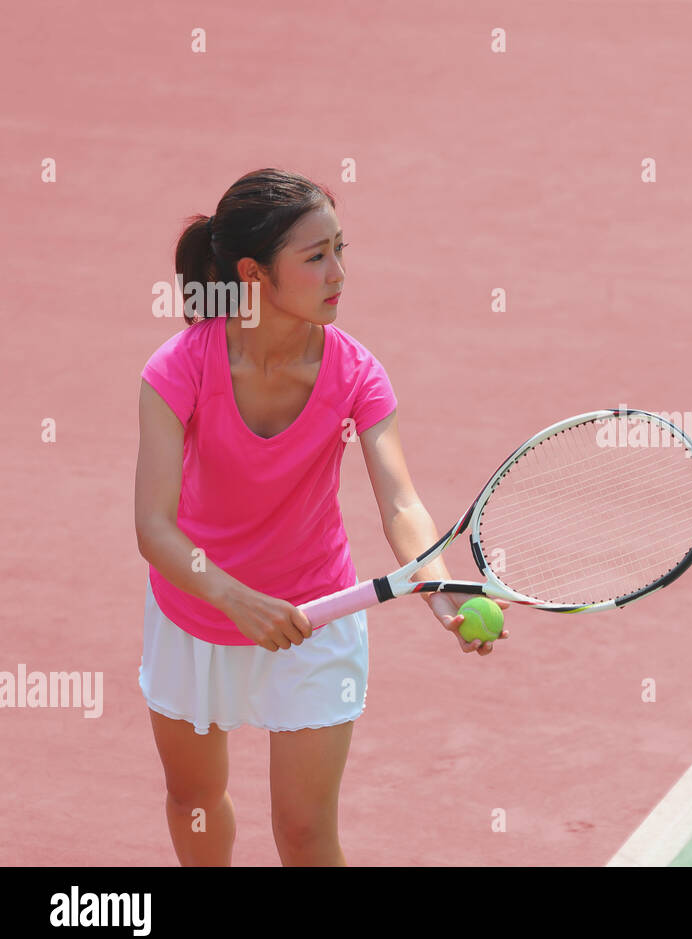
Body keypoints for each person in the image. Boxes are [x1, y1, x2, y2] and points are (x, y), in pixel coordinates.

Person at [133, 168, 509, 866]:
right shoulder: (179, 370)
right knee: (193, 801)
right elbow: (153, 526)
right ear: (253, 273)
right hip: (196, 617)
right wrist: (235, 600)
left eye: (341, 249)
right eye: (315, 257)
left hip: (317, 618)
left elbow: (400, 500)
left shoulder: (357, 373)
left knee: (305, 836)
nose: (339, 272)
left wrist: (439, 586)